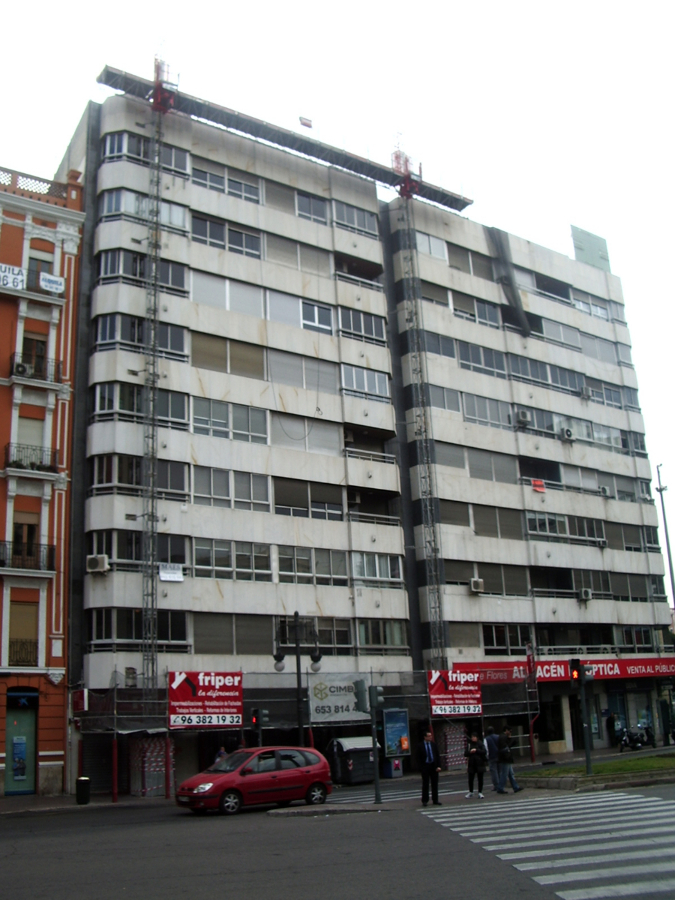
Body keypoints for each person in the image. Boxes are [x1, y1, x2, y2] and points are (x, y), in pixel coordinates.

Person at [417, 730, 442, 807]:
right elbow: (418, 758)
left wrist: (438, 766)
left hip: (433, 766)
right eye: (428, 736)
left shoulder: (433, 745)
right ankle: (425, 800)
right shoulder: (420, 745)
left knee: (435, 783)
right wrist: (421, 768)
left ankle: (435, 799)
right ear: (425, 737)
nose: (430, 737)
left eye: (431, 736)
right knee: (425, 784)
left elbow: (437, 756)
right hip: (425, 766)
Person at [497, 726, 523, 794]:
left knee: (510, 774)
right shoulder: (503, 737)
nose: (510, 733)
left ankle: (515, 787)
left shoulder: (502, 737)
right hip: (506, 758)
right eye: (510, 731)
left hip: (505, 758)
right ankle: (500, 788)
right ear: (506, 730)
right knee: (505, 774)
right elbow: (507, 746)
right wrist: (510, 738)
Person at [464, 732, 487, 798]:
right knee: (470, 779)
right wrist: (470, 752)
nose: (473, 738)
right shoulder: (469, 744)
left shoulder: (480, 744)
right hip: (471, 764)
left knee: (480, 778)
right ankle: (471, 791)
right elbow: (465, 753)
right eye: (472, 737)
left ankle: (480, 792)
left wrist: (476, 750)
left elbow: (484, 752)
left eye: (474, 737)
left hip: (479, 763)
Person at [484, 726, 500, 791]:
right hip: (499, 755)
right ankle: (501, 784)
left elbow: (486, 749)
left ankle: (496, 785)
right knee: (499, 771)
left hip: (491, 756)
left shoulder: (486, 739)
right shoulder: (498, 737)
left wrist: (486, 757)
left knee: (494, 771)